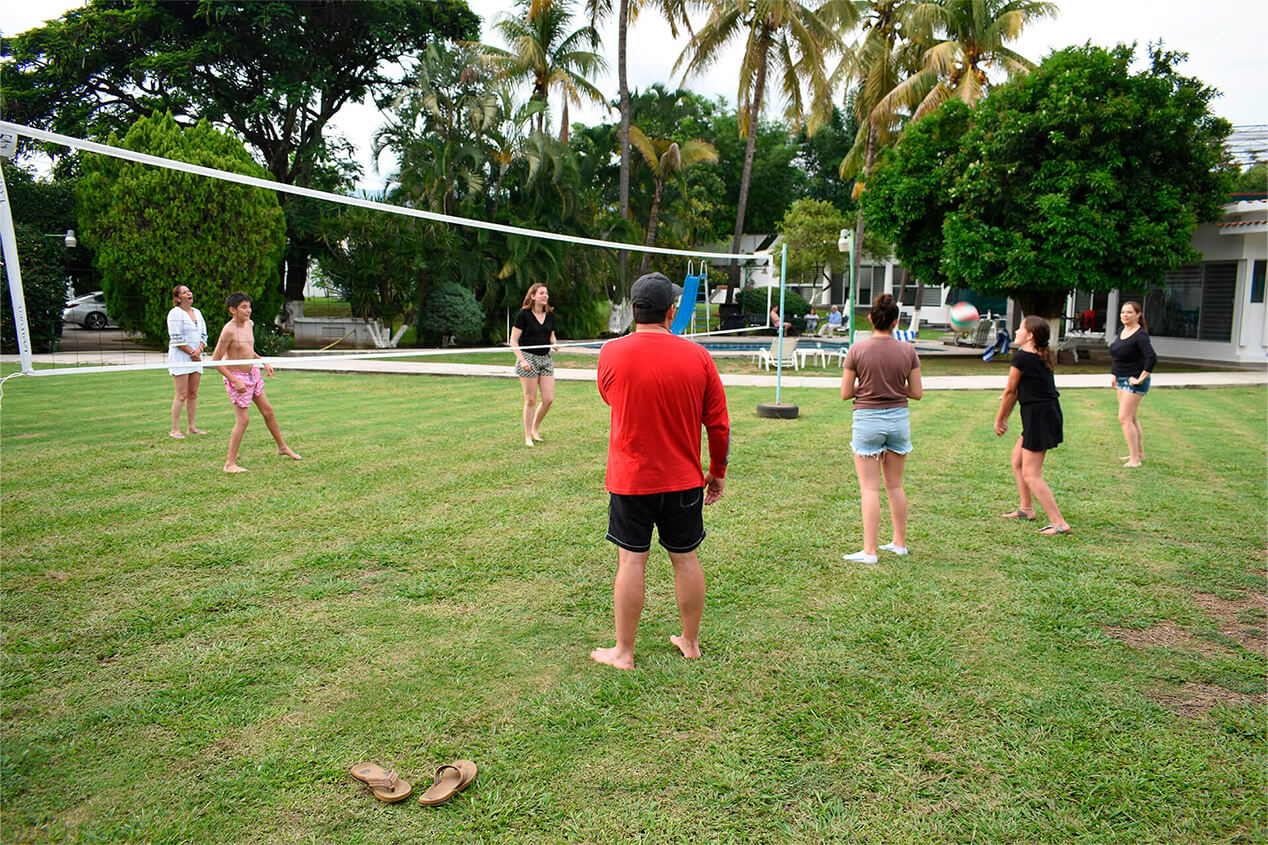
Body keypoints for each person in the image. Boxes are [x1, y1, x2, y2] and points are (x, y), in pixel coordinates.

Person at [591, 272, 730, 670]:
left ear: (635, 310)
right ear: (672, 311)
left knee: (631, 561)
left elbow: (609, 397)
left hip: (631, 480)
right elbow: (718, 424)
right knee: (686, 559)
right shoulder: (699, 357)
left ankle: (624, 652)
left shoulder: (611, 353)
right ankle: (689, 640)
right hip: (684, 480)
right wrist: (716, 471)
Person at [840, 294, 922, 563]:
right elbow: (917, 393)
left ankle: (870, 551)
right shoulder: (908, 351)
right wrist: (895, 388)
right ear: (896, 322)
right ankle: (899, 543)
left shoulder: (857, 349)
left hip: (867, 420)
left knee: (869, 489)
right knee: (895, 486)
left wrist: (867, 388)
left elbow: (845, 393)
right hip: (899, 420)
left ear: (871, 318)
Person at [995, 316, 1070, 535]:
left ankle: (1060, 523)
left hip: (1040, 417)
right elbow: (1017, 390)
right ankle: (1026, 509)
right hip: (1042, 414)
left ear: (1030, 336)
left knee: (1031, 473)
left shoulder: (1023, 358)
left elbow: (1010, 392)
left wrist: (1000, 420)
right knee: (1017, 460)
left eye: (1020, 328)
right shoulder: (1037, 356)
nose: (1016, 331)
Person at [211, 292, 301, 473]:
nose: (248, 310)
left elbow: (247, 350)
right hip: (236, 377)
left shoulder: (249, 324)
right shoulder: (228, 330)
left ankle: (282, 447)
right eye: (243, 307)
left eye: (249, 306)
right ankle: (229, 464)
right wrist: (235, 380)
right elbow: (215, 361)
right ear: (232, 310)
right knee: (243, 420)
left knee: (268, 411)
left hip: (252, 374)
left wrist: (262, 361)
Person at [510, 283, 559, 447]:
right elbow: (514, 341)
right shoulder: (523, 315)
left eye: (546, 293)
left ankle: (534, 429)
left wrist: (554, 343)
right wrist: (522, 360)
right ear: (533, 296)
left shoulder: (550, 315)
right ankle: (527, 436)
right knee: (530, 400)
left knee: (548, 399)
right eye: (541, 293)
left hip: (545, 359)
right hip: (528, 359)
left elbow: (551, 336)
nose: (545, 296)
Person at [1109, 300, 1156, 467]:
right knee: (1132, 418)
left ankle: (1134, 460)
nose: (1125, 315)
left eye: (1129, 312)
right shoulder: (1122, 330)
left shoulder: (1140, 334)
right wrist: (1114, 374)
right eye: (1123, 312)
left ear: (1138, 315)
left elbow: (1151, 357)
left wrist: (1141, 379)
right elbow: (1117, 355)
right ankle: (1138, 453)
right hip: (1121, 379)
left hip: (1133, 382)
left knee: (1124, 418)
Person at [166, 284, 208, 438]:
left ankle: (192, 427)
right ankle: (175, 429)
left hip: (196, 357)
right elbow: (176, 337)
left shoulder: (197, 312)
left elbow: (204, 335)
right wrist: (191, 352)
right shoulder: (174, 314)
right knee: (181, 394)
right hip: (181, 357)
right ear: (178, 298)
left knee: (193, 393)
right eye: (184, 292)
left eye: (189, 291)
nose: (188, 293)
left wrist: (199, 351)